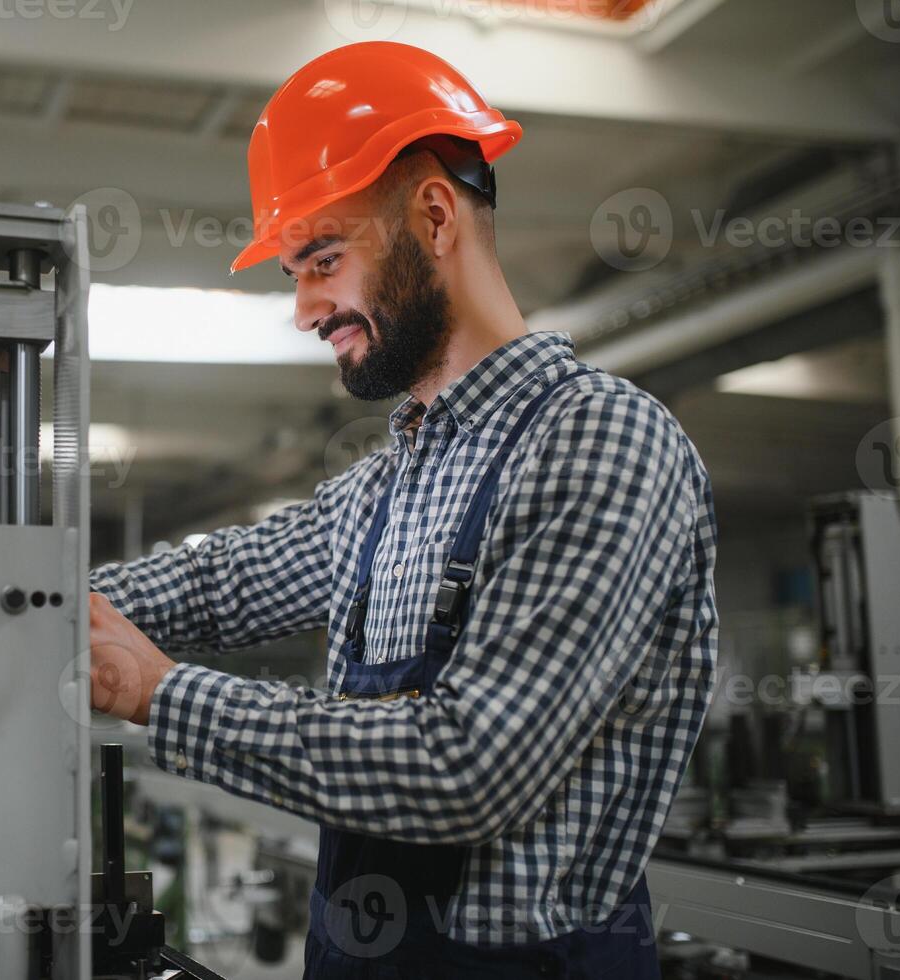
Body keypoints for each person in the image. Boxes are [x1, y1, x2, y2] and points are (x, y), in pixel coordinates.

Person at [87, 41, 717, 979]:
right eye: (294, 271)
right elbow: (216, 583)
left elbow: (465, 767)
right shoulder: (394, 481)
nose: (303, 309)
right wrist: (23, 603)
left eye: (323, 258)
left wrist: (162, 694)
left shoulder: (601, 440)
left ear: (431, 216)